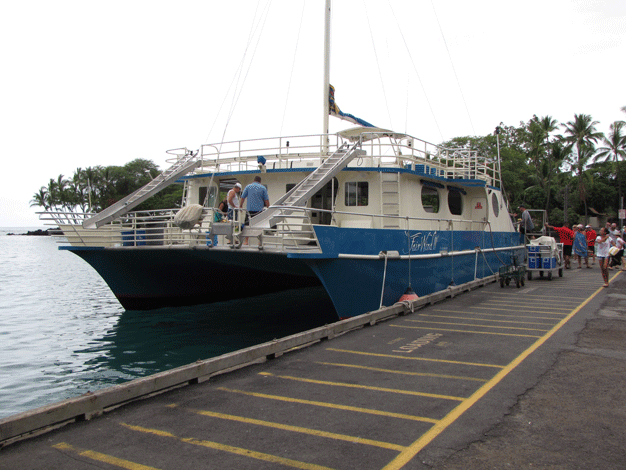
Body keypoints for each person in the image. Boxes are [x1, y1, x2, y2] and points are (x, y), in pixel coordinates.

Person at [239, 176, 270, 245]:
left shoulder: (248, 187)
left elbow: (242, 197)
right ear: (260, 181)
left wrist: (240, 205)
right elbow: (266, 200)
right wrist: (268, 208)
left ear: (254, 180)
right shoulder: (263, 188)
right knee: (259, 225)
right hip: (259, 210)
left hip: (249, 210)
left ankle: (246, 241)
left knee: (247, 225)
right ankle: (260, 241)